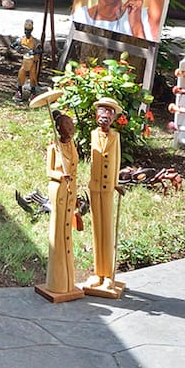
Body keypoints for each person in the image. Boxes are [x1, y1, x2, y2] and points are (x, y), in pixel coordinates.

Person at [31, 100, 82, 301]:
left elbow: (76, 167)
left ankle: (68, 279)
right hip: (59, 189)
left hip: (71, 190)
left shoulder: (72, 146)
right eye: (67, 126)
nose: (71, 129)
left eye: (72, 126)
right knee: (58, 229)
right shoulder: (54, 147)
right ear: (59, 128)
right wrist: (61, 176)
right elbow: (49, 171)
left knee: (67, 229)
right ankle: (57, 279)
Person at [80, 98, 126, 297]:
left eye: (108, 112)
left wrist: (116, 182)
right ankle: (98, 272)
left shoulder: (115, 137)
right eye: (101, 111)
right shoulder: (92, 135)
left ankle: (109, 275)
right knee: (97, 230)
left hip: (108, 188)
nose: (104, 116)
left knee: (107, 230)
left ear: (113, 116)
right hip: (95, 186)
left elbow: (116, 159)